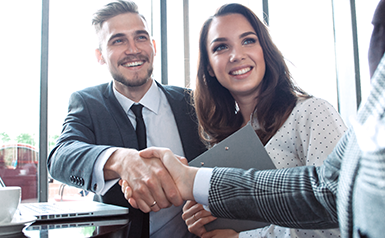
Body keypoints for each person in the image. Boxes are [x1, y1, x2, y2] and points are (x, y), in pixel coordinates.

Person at [123, 2, 385, 238]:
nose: (236, 55)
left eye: (248, 41)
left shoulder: (311, 113)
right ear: (210, 69)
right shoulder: (223, 141)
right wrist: (209, 215)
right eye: (221, 47)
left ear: (265, 50)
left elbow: (341, 216)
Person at [46, 1, 206, 238]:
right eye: (118, 40)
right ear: (100, 56)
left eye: (140, 38)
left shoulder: (190, 102)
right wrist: (120, 160)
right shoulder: (87, 103)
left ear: (152, 46)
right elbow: (60, 157)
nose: (133, 49)